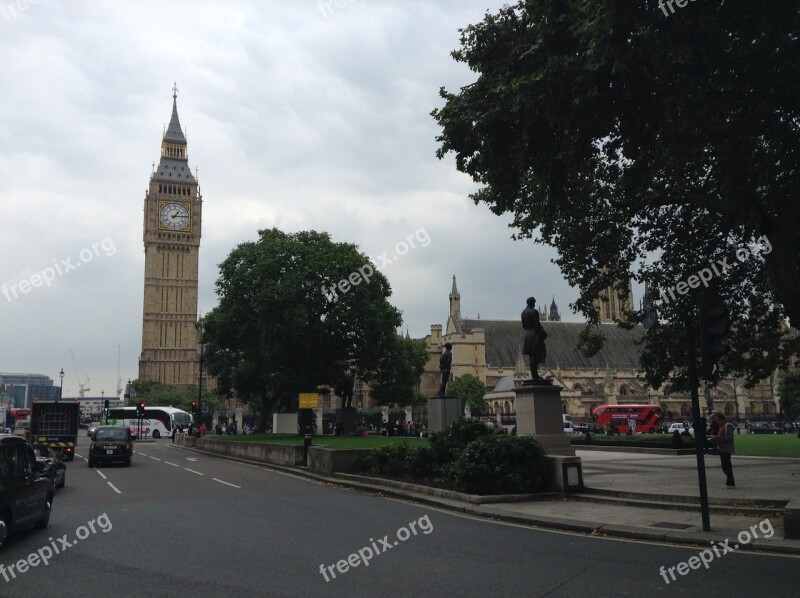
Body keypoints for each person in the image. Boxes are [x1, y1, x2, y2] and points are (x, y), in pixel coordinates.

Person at [521, 297, 547, 380]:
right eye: (534, 302)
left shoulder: (523, 313)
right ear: (531, 302)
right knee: (535, 356)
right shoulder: (534, 311)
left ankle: (534, 375)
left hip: (527, 335)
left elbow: (524, 326)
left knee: (531, 356)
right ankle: (535, 376)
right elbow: (537, 325)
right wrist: (543, 333)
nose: (535, 304)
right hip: (534, 335)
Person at [714, 413, 736, 488]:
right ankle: (730, 483)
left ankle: (730, 483)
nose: (716, 422)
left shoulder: (727, 426)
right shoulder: (722, 426)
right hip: (722, 448)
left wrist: (717, 438)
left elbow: (729, 438)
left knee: (726, 466)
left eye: (717, 420)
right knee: (725, 466)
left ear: (721, 419)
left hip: (726, 448)